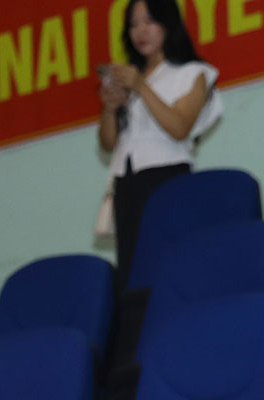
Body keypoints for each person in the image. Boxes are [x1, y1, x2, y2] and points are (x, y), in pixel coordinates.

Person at [97, 0, 222, 280]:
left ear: (168, 23)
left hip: (167, 180)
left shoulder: (192, 73)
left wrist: (141, 86)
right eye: (133, 25)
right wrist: (108, 107)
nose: (140, 31)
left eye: (149, 21)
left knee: (168, 270)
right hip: (126, 182)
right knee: (132, 274)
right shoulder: (129, 78)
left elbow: (179, 127)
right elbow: (107, 144)